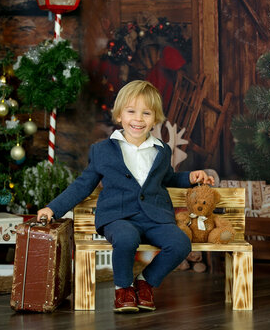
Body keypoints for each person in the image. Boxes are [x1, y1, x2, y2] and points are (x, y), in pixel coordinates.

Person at [37, 80, 214, 313]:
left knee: (180, 243)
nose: (138, 119)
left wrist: (190, 177)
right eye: (131, 112)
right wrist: (53, 209)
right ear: (120, 115)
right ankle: (123, 289)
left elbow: (167, 178)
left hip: (155, 217)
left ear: (155, 118)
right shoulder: (102, 150)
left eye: (146, 113)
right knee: (126, 238)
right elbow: (82, 185)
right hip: (117, 217)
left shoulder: (161, 150)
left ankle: (145, 282)